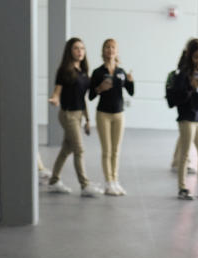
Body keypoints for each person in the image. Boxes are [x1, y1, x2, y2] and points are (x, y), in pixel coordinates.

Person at [47, 37, 102, 197]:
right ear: (69, 51)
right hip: (68, 114)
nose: (80, 52)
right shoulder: (65, 70)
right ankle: (85, 185)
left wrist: (87, 119)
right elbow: (57, 91)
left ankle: (54, 181)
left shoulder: (83, 72)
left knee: (66, 149)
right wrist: (55, 99)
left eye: (82, 49)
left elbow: (83, 98)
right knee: (79, 149)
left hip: (78, 115)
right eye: (76, 48)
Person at [168, 39, 198, 200]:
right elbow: (177, 99)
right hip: (186, 118)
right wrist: (191, 88)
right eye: (196, 57)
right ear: (190, 57)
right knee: (185, 154)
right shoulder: (182, 75)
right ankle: (182, 187)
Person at [89, 38, 134, 196]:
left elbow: (131, 92)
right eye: (107, 47)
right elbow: (91, 96)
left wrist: (130, 81)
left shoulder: (121, 72)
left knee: (116, 150)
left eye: (113, 47)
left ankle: (115, 180)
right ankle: (108, 182)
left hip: (119, 114)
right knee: (106, 150)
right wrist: (100, 88)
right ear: (103, 51)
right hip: (103, 114)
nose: (110, 50)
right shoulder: (98, 72)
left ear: (117, 51)